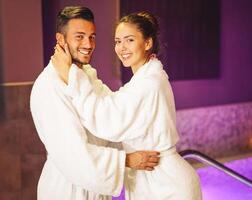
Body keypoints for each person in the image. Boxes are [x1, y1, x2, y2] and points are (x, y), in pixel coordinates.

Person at [53, 11, 201, 200]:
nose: (122, 48)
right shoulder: (145, 79)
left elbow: (107, 120)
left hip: (167, 185)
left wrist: (71, 75)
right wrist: (84, 74)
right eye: (117, 41)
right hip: (153, 179)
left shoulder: (149, 83)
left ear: (147, 43)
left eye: (129, 40)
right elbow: (114, 102)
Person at [30, 6, 160, 200]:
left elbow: (111, 113)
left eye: (92, 37)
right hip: (67, 191)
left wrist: (144, 74)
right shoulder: (48, 85)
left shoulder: (85, 75)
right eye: (79, 36)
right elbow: (72, 153)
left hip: (95, 190)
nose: (88, 44)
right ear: (60, 39)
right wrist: (127, 160)